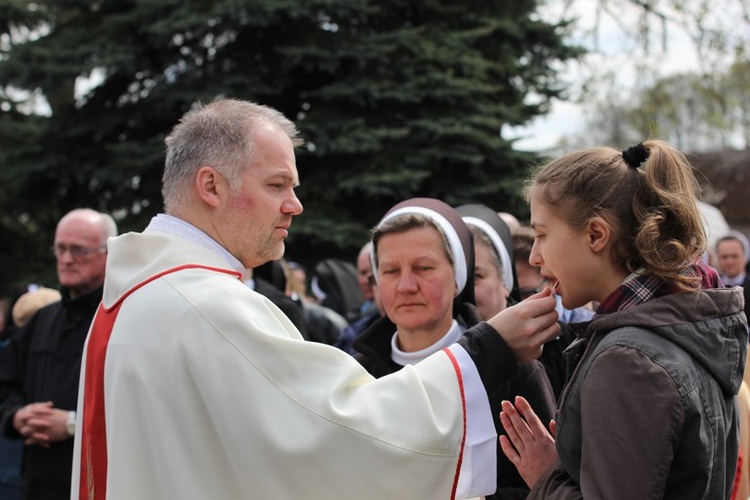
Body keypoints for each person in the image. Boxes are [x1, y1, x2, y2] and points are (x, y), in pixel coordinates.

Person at [71, 98, 561, 500]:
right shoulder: (206, 306)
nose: (295, 205)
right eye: (276, 184)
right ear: (211, 186)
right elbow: (345, 431)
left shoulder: (142, 292)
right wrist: (488, 348)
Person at [498, 140, 748, 499]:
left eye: (541, 235)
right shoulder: (682, 323)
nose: (535, 256)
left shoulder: (629, 361)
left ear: (596, 235)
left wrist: (545, 476)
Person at [353, 198, 555, 499]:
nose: (406, 286)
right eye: (391, 271)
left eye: (423, 268)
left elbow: (548, 487)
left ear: (458, 278)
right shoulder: (358, 375)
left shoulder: (513, 371)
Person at [0, 209, 116, 500]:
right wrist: (17, 416)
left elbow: (144, 408)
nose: (66, 259)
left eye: (79, 250)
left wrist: (74, 423)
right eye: (60, 248)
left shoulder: (124, 320)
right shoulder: (41, 320)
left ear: (108, 253)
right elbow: (6, 385)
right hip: (35, 483)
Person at [715, 231, 750, 322]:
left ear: (745, 257)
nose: (729, 262)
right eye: (724, 257)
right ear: (718, 258)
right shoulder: (712, 287)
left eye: (734, 256)